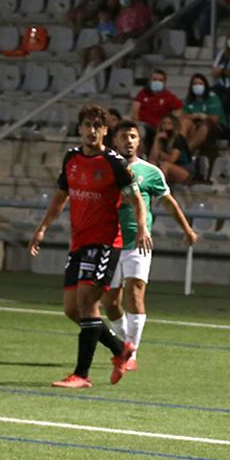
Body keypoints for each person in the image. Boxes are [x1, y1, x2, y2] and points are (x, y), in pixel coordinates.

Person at [29, 106, 149, 389]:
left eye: (98, 125)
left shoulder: (113, 163)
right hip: (79, 242)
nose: (91, 130)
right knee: (72, 310)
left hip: (106, 241)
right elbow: (61, 196)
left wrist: (142, 227)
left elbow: (136, 199)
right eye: (87, 125)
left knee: (87, 303)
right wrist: (43, 226)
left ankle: (81, 375)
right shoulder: (71, 158)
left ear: (106, 131)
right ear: (79, 128)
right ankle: (121, 348)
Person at [101, 120, 198, 373]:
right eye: (124, 136)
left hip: (137, 240)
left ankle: (132, 351)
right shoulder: (105, 169)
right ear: (115, 141)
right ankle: (124, 344)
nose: (129, 140)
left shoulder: (151, 172)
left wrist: (186, 229)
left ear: (139, 140)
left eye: (133, 136)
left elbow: (168, 202)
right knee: (110, 303)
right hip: (108, 241)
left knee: (135, 294)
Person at [179, 73, 227, 151]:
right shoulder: (190, 100)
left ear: (205, 85)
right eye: (195, 84)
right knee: (185, 122)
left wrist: (200, 117)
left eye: (200, 83)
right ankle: (179, 147)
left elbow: (214, 119)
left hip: (216, 127)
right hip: (196, 125)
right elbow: (182, 115)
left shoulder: (212, 97)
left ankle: (186, 150)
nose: (197, 86)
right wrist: (197, 116)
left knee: (205, 124)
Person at [131, 69, 183, 139]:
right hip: (143, 125)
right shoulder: (143, 93)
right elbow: (135, 110)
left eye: (160, 80)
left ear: (164, 82)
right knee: (138, 131)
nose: (157, 82)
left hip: (159, 127)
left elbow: (179, 110)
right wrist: (136, 123)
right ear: (150, 81)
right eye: (155, 79)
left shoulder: (169, 96)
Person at [149, 114, 198, 184]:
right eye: (164, 123)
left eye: (169, 124)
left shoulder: (178, 139)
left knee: (166, 165)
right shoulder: (161, 138)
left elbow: (172, 159)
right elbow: (152, 159)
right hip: (167, 167)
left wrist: (160, 154)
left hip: (185, 170)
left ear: (174, 125)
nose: (166, 126)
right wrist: (156, 140)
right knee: (152, 164)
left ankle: (160, 190)